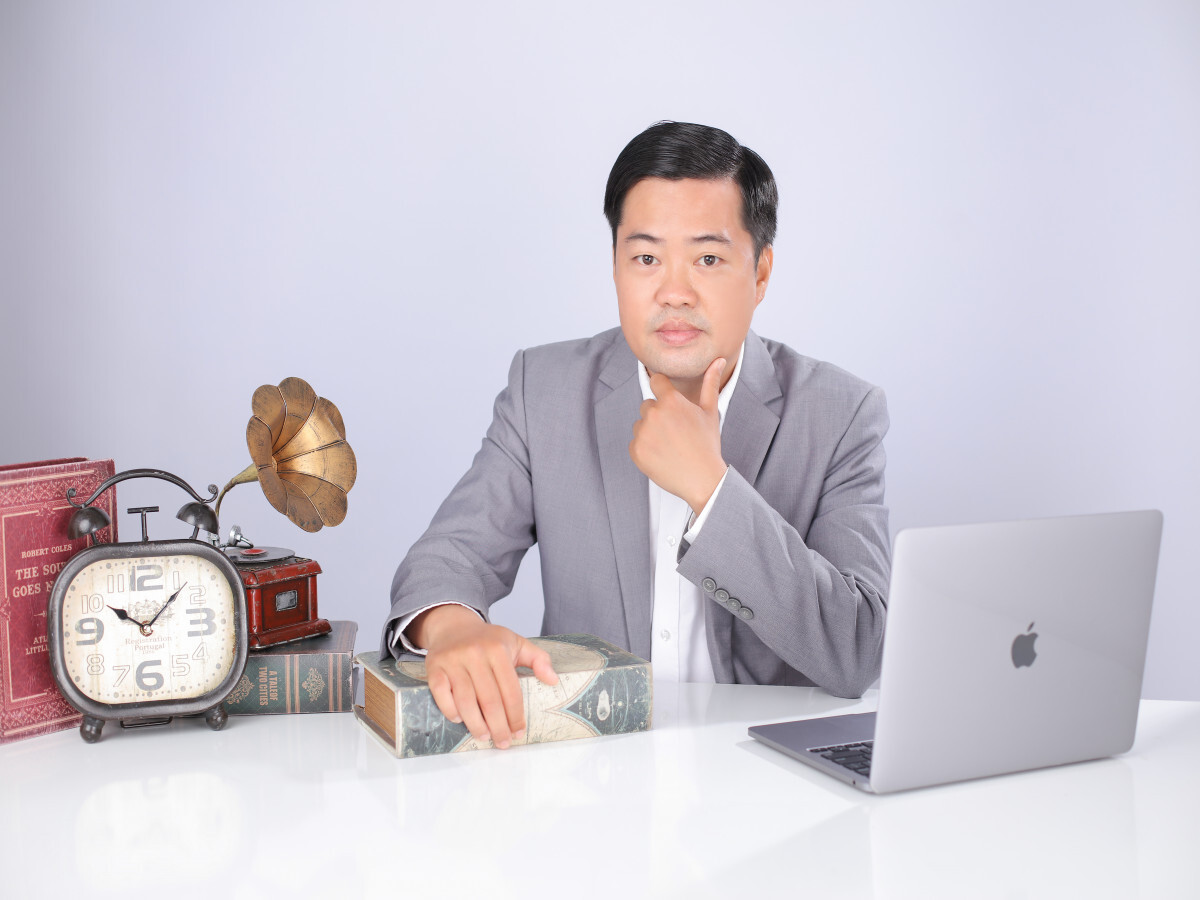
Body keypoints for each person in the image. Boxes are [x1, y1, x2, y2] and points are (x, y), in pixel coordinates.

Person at [380, 121, 890, 749]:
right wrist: (451, 627)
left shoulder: (841, 414)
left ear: (760, 273)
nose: (673, 293)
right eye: (646, 258)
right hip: (593, 767)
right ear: (616, 266)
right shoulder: (545, 390)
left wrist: (711, 489)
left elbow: (857, 652)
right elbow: (447, 559)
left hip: (761, 772)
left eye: (708, 259)